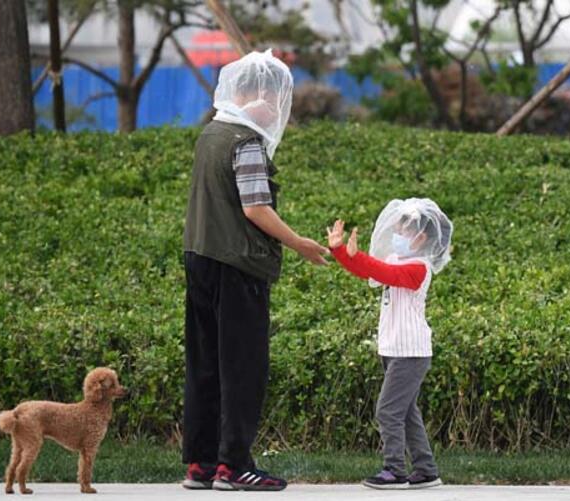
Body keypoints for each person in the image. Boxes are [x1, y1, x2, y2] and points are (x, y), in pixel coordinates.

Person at [181, 49, 328, 492]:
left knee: (205, 363)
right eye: (274, 99)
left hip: (200, 258)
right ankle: (234, 466)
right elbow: (256, 208)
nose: (276, 109)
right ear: (255, 96)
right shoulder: (244, 142)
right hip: (237, 266)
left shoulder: (211, 133)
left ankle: (202, 464)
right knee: (242, 367)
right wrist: (299, 243)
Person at [326, 198, 453, 490]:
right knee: (406, 412)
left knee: (388, 410)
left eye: (403, 230)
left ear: (421, 238)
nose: (397, 234)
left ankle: (394, 470)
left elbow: (386, 274)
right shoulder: (397, 259)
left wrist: (357, 256)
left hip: (411, 352)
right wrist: (340, 251)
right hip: (394, 347)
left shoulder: (420, 267)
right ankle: (426, 470)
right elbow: (368, 271)